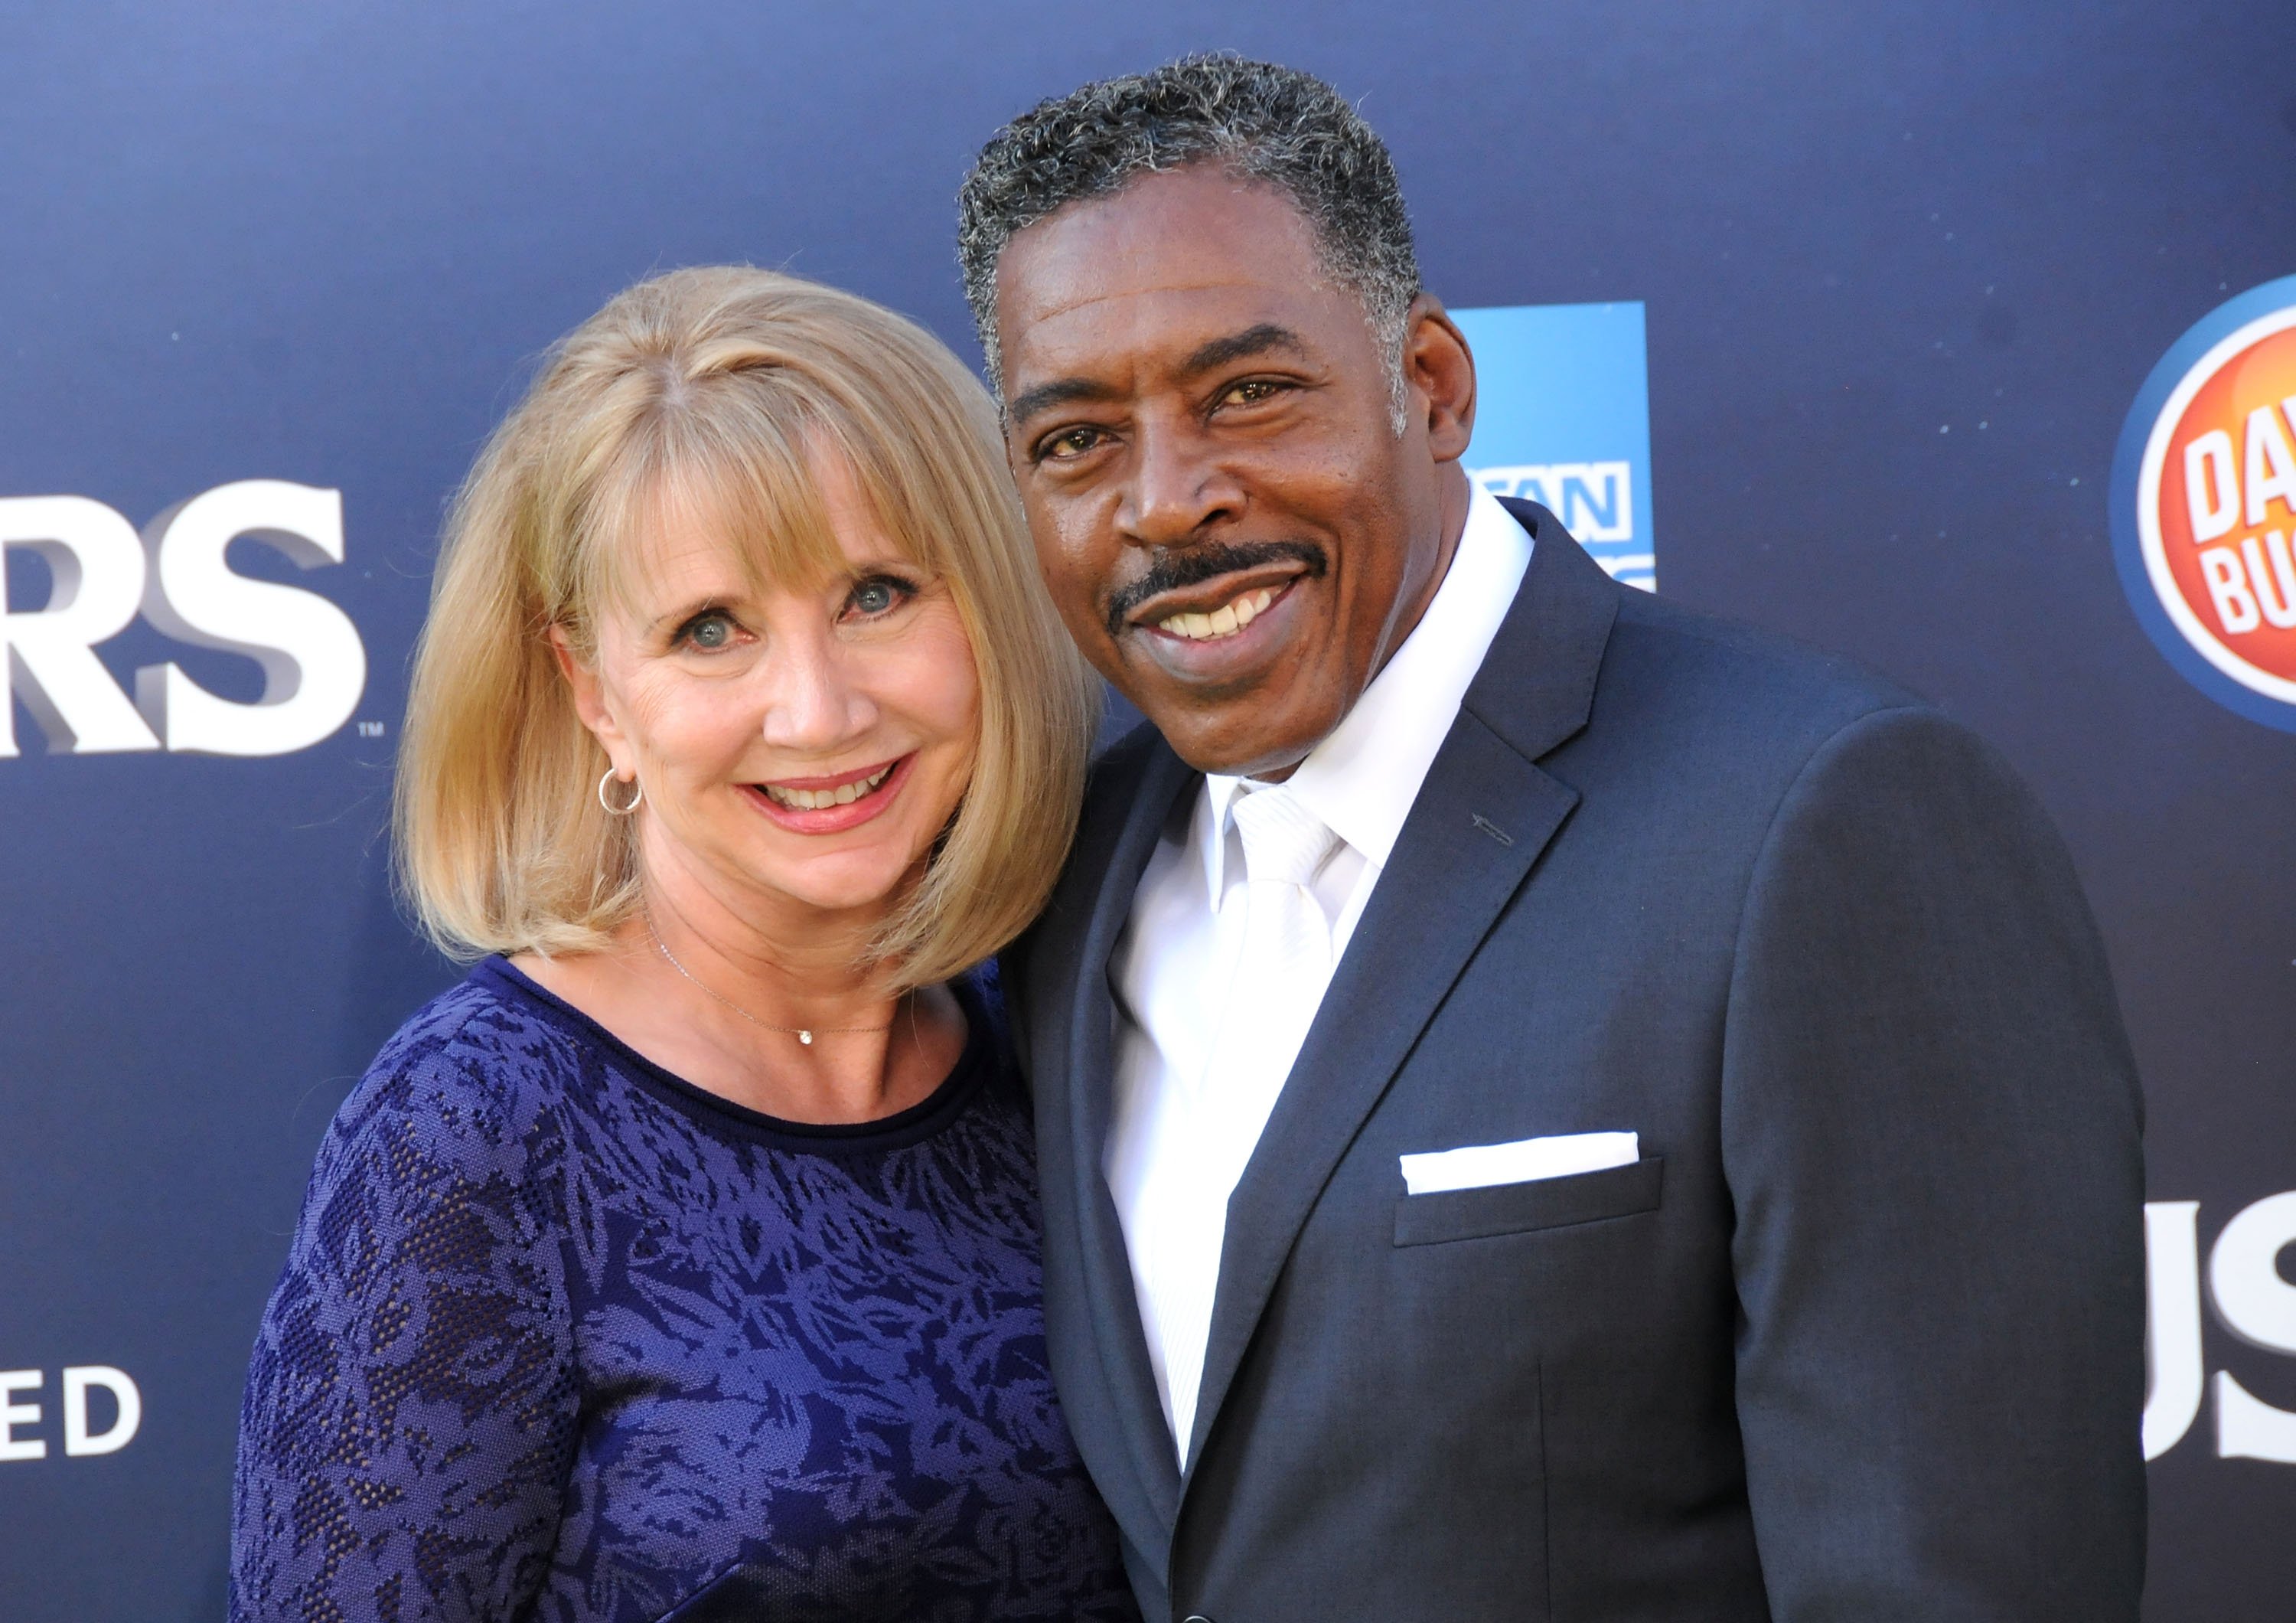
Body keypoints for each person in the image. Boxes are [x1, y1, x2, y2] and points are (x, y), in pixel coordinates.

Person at [959, 55, 2148, 1621]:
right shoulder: (1060, 885)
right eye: (1076, 442)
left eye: (1248, 391)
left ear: (1433, 388)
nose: (1166, 502)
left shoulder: (1823, 824)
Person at [228, 266, 1140, 1622]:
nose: (818, 710)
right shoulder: (481, 1129)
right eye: (710, 630)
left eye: (879, 594)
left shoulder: (1070, 1036)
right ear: (594, 690)